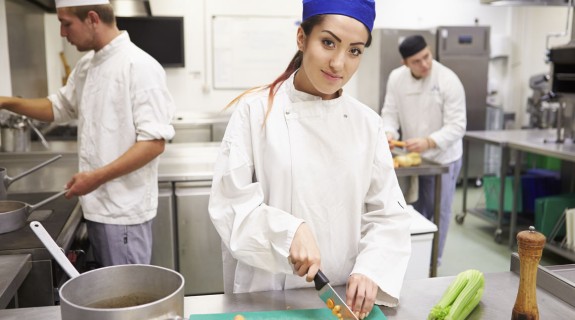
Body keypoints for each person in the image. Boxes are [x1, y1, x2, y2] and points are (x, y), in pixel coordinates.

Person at [208, 0, 411, 318]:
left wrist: (372, 268)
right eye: (328, 42)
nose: (338, 64)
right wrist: (288, 233)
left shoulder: (367, 125)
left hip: (340, 299)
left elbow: (387, 215)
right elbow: (230, 206)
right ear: (302, 38)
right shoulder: (255, 112)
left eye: (354, 50)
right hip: (266, 296)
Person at [0, 0, 175, 267]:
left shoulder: (139, 66)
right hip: (96, 207)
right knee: (112, 299)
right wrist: (6, 102)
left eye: (66, 23)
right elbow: (57, 107)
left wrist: (95, 178)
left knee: (127, 300)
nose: (62, 33)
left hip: (122, 214)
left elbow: (153, 143)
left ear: (92, 18)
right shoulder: (86, 66)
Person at [380, 35, 466, 265]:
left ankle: (432, 261)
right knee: (410, 208)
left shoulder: (448, 79)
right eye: (417, 61)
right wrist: (389, 134)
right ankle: (410, 257)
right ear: (405, 64)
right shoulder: (396, 79)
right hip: (412, 156)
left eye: (427, 57)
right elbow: (390, 113)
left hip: (443, 156)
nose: (425, 64)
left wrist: (429, 141)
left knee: (439, 210)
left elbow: (458, 125)